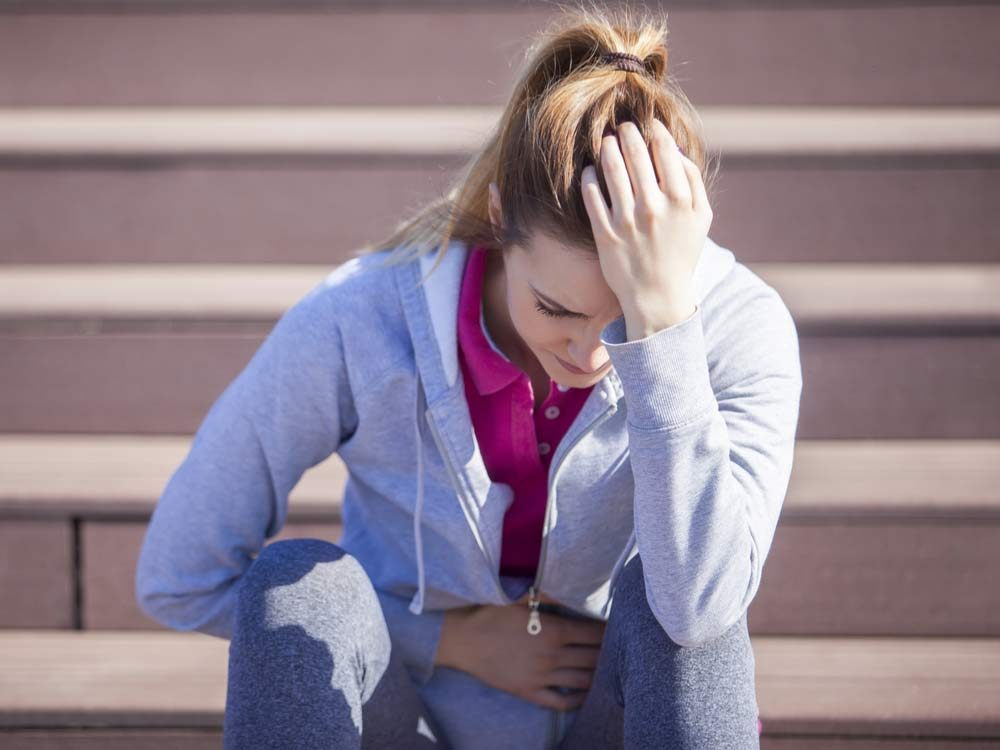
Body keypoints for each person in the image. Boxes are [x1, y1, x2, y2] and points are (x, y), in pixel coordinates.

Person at [135, 4, 800, 748]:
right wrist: (443, 641)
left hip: (608, 724)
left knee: (673, 606)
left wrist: (666, 332)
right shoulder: (361, 319)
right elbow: (179, 573)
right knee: (302, 589)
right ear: (497, 220)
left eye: (625, 320)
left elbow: (702, 612)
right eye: (555, 308)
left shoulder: (739, 327)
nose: (590, 356)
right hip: (406, 721)